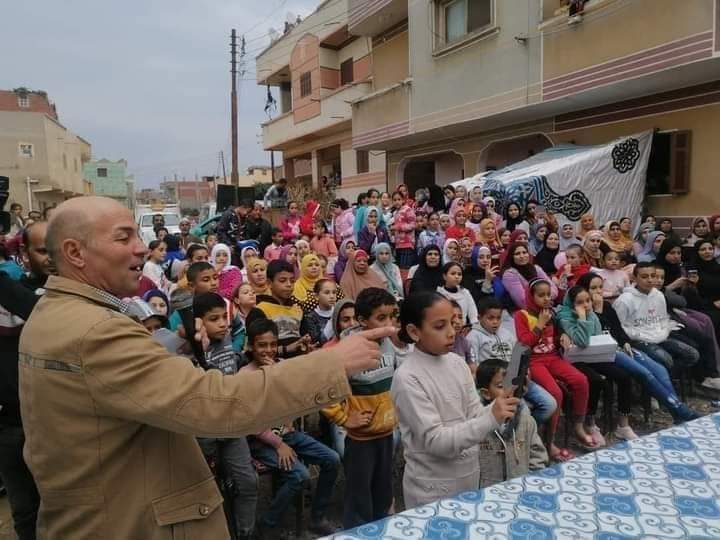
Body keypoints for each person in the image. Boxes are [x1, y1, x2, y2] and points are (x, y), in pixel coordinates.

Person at [19, 196, 392, 539]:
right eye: (123, 237)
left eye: (137, 233)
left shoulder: (57, 312)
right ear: (75, 252)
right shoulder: (96, 330)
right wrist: (331, 364)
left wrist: (177, 343)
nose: (140, 247)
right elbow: (213, 403)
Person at [391, 292, 519, 508]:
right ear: (414, 331)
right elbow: (435, 441)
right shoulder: (407, 378)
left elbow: (475, 414)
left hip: (469, 476)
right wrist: (490, 418)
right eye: (440, 326)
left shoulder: (457, 363)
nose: (452, 332)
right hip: (431, 489)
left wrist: (497, 409)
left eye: (453, 322)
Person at [241, 318, 339, 537]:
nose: (268, 350)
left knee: (331, 459)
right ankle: (267, 525)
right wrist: (278, 445)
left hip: (288, 434)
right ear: (250, 346)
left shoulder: (282, 366)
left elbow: (296, 400)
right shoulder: (245, 376)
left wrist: (277, 376)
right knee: (300, 475)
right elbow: (250, 422)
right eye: (262, 345)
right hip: (262, 441)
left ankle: (317, 518)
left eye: (272, 344)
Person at [576, 272, 700, 424]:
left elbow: (618, 329)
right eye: (593, 288)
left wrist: (625, 342)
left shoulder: (606, 306)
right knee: (645, 373)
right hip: (601, 353)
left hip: (619, 347)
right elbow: (594, 334)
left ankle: (677, 412)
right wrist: (597, 310)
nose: (598, 291)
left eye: (600, 287)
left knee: (659, 369)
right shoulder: (580, 311)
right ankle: (681, 411)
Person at [323, 288, 399, 528]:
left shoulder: (390, 344)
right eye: (381, 318)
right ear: (362, 320)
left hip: (386, 434)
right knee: (359, 502)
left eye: (392, 316)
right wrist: (345, 418)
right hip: (360, 440)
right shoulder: (348, 349)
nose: (388, 324)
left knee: (383, 497)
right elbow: (325, 390)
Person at [191, 292, 259, 539]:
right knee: (209, 491)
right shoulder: (190, 348)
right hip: (204, 432)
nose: (222, 323)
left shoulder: (229, 337)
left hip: (231, 426)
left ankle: (244, 533)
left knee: (248, 483)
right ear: (199, 322)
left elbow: (241, 327)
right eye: (214, 319)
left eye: (224, 317)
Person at [0, 221, 50, 540]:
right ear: (25, 253)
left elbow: (36, 311)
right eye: (42, 250)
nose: (51, 257)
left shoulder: (73, 297)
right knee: (25, 511)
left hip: (54, 423)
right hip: (8, 425)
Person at [514, 279, 595, 461]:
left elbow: (556, 336)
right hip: (534, 361)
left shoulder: (551, 313)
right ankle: (548, 442)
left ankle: (578, 426)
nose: (546, 299)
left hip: (553, 358)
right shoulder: (522, 315)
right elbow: (524, 343)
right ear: (531, 296)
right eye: (540, 295)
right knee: (555, 394)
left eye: (548, 295)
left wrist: (563, 336)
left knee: (581, 380)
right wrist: (539, 325)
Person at [557, 286, 638, 442]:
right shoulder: (565, 317)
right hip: (575, 359)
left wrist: (588, 317)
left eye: (587, 301)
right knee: (595, 380)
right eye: (580, 302)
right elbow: (582, 341)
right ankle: (589, 421)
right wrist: (582, 318)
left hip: (593, 355)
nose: (586, 305)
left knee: (624, 376)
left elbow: (597, 338)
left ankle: (623, 425)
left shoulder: (592, 315)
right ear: (571, 304)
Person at [468, 297, 558, 427]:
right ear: (479, 317)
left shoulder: (506, 333)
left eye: (498, 318)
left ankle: (526, 433)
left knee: (550, 404)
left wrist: (525, 372)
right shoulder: (473, 337)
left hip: (518, 379)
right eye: (490, 318)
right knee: (523, 412)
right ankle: (517, 433)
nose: (495, 322)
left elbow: (518, 354)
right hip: (498, 385)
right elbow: (474, 367)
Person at [614, 262, 699, 372]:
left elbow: (662, 318)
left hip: (659, 335)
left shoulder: (658, 295)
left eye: (653, 276)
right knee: (666, 360)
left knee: (692, 355)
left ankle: (668, 377)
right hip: (638, 339)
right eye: (644, 277)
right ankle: (663, 379)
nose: (650, 280)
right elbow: (619, 326)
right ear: (634, 278)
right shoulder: (624, 300)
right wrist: (636, 337)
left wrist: (663, 331)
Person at [476, 359, 548, 487]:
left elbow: (537, 456)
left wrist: (531, 483)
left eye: (512, 384)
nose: (509, 390)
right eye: (501, 386)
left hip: (520, 489)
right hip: (485, 495)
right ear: (486, 393)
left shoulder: (526, 420)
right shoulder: (476, 425)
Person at [256, 260, 310, 357]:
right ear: (269, 283)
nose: (289, 284)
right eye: (282, 280)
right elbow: (257, 350)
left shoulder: (297, 309)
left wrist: (308, 344)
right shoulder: (260, 309)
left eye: (292, 281)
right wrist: (288, 349)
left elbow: (305, 336)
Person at [501, 241, 558, 310]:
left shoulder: (536, 268)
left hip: (546, 308)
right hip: (525, 313)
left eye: (524, 252)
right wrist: (545, 300)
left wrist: (543, 300)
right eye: (517, 254)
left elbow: (554, 291)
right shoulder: (510, 275)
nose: (522, 256)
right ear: (511, 257)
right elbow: (522, 301)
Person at [301, 279, 337, 346]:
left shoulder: (340, 313)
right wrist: (333, 319)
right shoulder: (310, 317)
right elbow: (318, 342)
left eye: (334, 292)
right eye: (327, 293)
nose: (332, 296)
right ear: (316, 296)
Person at [392, 193, 417, 270]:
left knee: (405, 269)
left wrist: (399, 227)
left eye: (399, 199)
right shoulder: (395, 212)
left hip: (407, 244)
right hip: (398, 245)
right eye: (395, 200)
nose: (397, 202)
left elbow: (413, 225)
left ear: (403, 200)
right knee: (399, 268)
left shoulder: (408, 209)